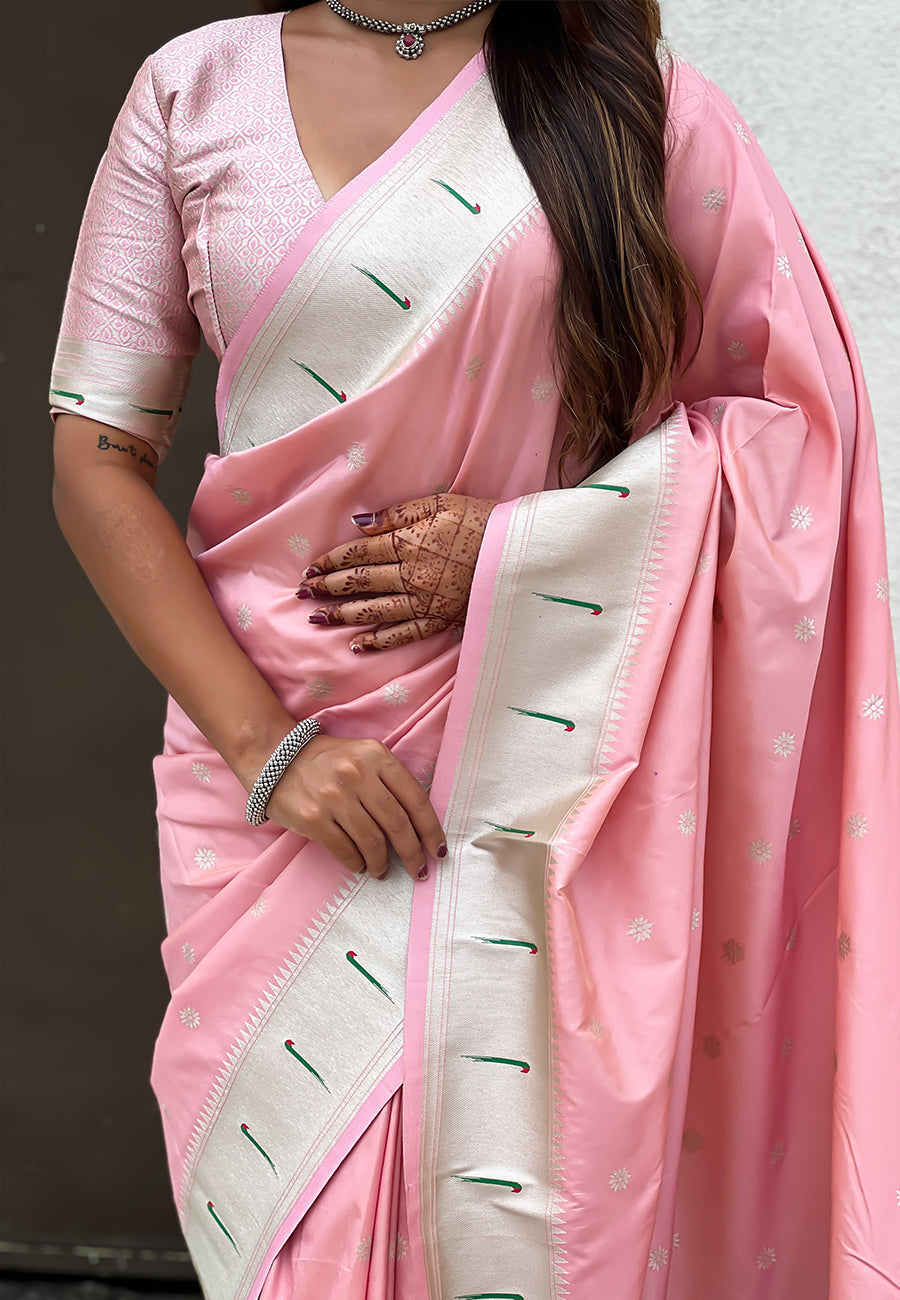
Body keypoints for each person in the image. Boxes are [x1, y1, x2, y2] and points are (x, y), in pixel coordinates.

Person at [50, 1, 900, 1296]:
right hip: (274, 785)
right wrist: (272, 751)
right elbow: (95, 454)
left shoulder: (625, 98)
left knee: (537, 1223)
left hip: (558, 773)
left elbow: (797, 433)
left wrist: (528, 552)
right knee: (299, 1229)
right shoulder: (192, 91)